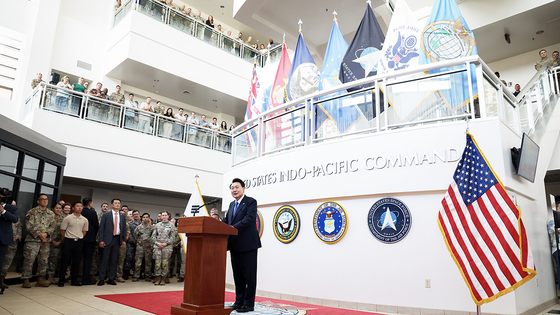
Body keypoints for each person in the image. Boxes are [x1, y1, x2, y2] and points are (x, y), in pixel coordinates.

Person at [222, 178, 261, 313]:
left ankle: (249, 303)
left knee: (249, 276)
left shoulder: (250, 202)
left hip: (248, 245)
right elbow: (226, 221)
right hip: (234, 246)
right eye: (232, 188)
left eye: (237, 187)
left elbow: (248, 219)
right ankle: (239, 301)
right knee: (238, 276)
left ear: (243, 188)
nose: (234, 190)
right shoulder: (231, 205)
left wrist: (232, 228)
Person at [21, 194, 56, 288]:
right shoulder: (32, 212)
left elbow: (52, 226)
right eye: (42, 199)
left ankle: (40, 279)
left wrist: (46, 234)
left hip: (46, 241)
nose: (45, 201)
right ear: (38, 201)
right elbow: (28, 226)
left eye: (46, 199)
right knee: (29, 260)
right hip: (33, 240)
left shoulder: (51, 213)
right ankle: (26, 279)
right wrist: (39, 234)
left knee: (44, 261)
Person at [58, 202, 89, 287]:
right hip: (68, 241)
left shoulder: (84, 219)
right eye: (77, 206)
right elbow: (62, 230)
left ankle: (74, 280)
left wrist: (79, 237)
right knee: (65, 261)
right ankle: (61, 280)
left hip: (79, 242)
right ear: (73, 208)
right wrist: (66, 239)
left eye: (81, 206)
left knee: (76, 261)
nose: (79, 208)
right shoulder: (68, 218)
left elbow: (84, 231)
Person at [97, 198, 126, 286]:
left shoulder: (122, 216)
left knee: (114, 260)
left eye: (118, 203)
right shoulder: (106, 215)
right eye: (115, 203)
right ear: (112, 205)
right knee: (104, 260)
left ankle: (111, 278)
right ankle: (102, 278)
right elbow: (101, 229)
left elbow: (123, 229)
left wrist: (124, 240)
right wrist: (101, 240)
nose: (117, 204)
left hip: (117, 240)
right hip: (107, 240)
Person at [0, 188, 18, 294]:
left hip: (3, 239)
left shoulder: (12, 208)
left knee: (0, 263)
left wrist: (3, 211)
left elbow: (15, 219)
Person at [151, 211, 176, 285]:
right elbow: (153, 236)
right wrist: (157, 243)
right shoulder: (158, 225)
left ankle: (163, 279)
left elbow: (172, 238)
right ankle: (158, 278)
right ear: (161, 216)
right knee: (157, 264)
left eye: (165, 215)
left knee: (165, 263)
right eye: (163, 215)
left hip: (167, 247)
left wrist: (165, 243)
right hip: (158, 246)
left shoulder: (171, 225)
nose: (164, 216)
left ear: (168, 216)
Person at [81, 198, 99, 285]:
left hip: (79, 238)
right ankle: (86, 279)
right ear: (90, 204)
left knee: (78, 259)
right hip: (90, 239)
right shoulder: (92, 212)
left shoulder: (80, 212)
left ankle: (76, 277)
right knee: (88, 260)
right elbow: (96, 225)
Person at [132, 213, 154, 282]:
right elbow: (135, 236)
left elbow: (153, 237)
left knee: (148, 262)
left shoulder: (151, 228)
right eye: (144, 217)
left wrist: (152, 245)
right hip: (140, 247)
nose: (145, 218)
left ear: (148, 218)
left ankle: (147, 275)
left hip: (148, 247)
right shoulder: (138, 227)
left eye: (146, 217)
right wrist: (138, 242)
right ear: (142, 218)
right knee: (138, 262)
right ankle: (136, 275)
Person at [46, 203, 64, 284]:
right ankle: (47, 276)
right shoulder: (49, 218)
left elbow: (65, 231)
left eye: (60, 208)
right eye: (57, 208)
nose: (58, 210)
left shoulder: (64, 218)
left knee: (56, 259)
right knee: (48, 259)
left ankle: (53, 276)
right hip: (49, 241)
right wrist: (52, 240)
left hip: (59, 242)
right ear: (53, 209)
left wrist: (60, 241)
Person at [124, 209, 141, 280]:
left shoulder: (142, 224)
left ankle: (137, 274)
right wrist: (133, 240)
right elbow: (128, 233)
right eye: (134, 214)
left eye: (137, 214)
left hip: (140, 244)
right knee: (129, 258)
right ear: (132, 216)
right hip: (131, 244)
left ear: (139, 215)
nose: (136, 216)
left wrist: (138, 241)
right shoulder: (130, 224)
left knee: (138, 259)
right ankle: (126, 273)